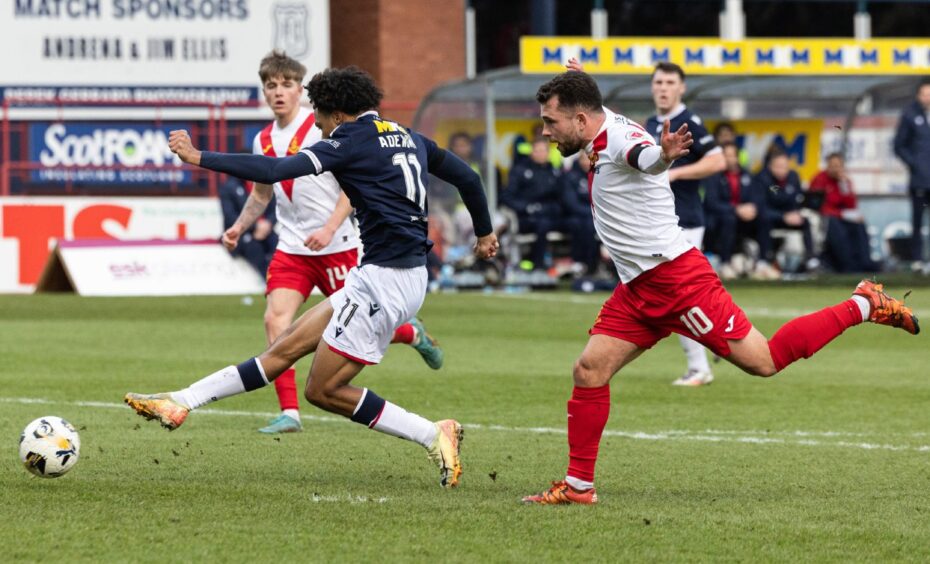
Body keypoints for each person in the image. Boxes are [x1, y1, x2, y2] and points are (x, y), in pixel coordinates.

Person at [522, 69, 918, 506]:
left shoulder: (618, 141)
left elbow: (643, 156)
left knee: (764, 361)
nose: (545, 131)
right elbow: (600, 114)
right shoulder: (598, 120)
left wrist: (665, 157)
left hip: (678, 282)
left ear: (579, 120)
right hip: (637, 287)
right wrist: (578, 78)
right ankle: (579, 487)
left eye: (550, 122)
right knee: (589, 370)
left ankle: (863, 304)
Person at [126, 66, 500, 489]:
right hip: (384, 274)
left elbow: (272, 171)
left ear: (336, 113)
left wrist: (199, 157)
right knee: (282, 349)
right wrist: (485, 234)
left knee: (322, 390)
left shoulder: (347, 140)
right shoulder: (407, 134)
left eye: (319, 116)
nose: (317, 125)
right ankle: (181, 402)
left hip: (387, 282)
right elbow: (468, 177)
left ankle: (432, 433)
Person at [225, 51, 444, 436]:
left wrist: (329, 226)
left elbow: (353, 188)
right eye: (271, 85)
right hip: (293, 247)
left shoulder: (328, 126)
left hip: (338, 244)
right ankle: (289, 411)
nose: (279, 93)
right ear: (263, 91)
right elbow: (263, 191)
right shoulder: (262, 139)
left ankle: (411, 333)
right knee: (277, 320)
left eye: (287, 85)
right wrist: (239, 227)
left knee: (362, 322)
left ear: (301, 91)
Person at [645, 61, 725, 387]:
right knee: (687, 294)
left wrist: (675, 172)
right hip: (659, 222)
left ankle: (699, 367)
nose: (663, 88)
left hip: (686, 220)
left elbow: (718, 160)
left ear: (681, 88)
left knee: (680, 296)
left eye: (669, 82)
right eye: (658, 82)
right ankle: (720, 335)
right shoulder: (652, 122)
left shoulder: (689, 122)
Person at [703, 142, 768, 279]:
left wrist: (752, 207)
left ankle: (763, 262)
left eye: (733, 156)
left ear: (738, 157)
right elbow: (711, 202)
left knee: (764, 217)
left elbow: (758, 197)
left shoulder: (748, 175)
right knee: (729, 219)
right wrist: (736, 209)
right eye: (726, 155)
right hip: (721, 218)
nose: (730, 159)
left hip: (745, 218)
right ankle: (725, 262)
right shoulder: (714, 175)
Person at [808, 152, 881, 273]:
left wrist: (844, 185)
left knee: (859, 224)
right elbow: (819, 206)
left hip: (842, 215)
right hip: (829, 217)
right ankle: (847, 264)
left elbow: (851, 205)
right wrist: (841, 214)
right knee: (835, 225)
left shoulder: (845, 181)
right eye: (833, 165)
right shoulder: (819, 179)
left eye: (838, 166)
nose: (835, 169)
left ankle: (865, 262)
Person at [752, 148, 818, 273]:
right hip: (769, 217)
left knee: (805, 221)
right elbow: (760, 207)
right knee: (764, 220)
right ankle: (763, 260)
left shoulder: (793, 176)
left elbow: (797, 198)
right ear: (770, 166)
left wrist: (796, 213)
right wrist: (783, 216)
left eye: (784, 166)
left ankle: (811, 259)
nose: (782, 170)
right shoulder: (761, 178)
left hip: (788, 216)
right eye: (778, 166)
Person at [893, 79, 930, 268]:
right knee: (917, 221)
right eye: (925, 94)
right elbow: (899, 145)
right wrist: (915, 164)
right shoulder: (909, 115)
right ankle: (917, 260)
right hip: (920, 181)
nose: (928, 98)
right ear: (918, 96)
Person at [218, 175, 277, 277]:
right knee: (255, 248)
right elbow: (230, 217)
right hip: (242, 234)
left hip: (266, 231)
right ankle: (270, 282)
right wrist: (255, 226)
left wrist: (268, 224)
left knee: (278, 244)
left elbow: (275, 209)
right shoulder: (229, 187)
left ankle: (284, 282)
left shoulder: (266, 183)